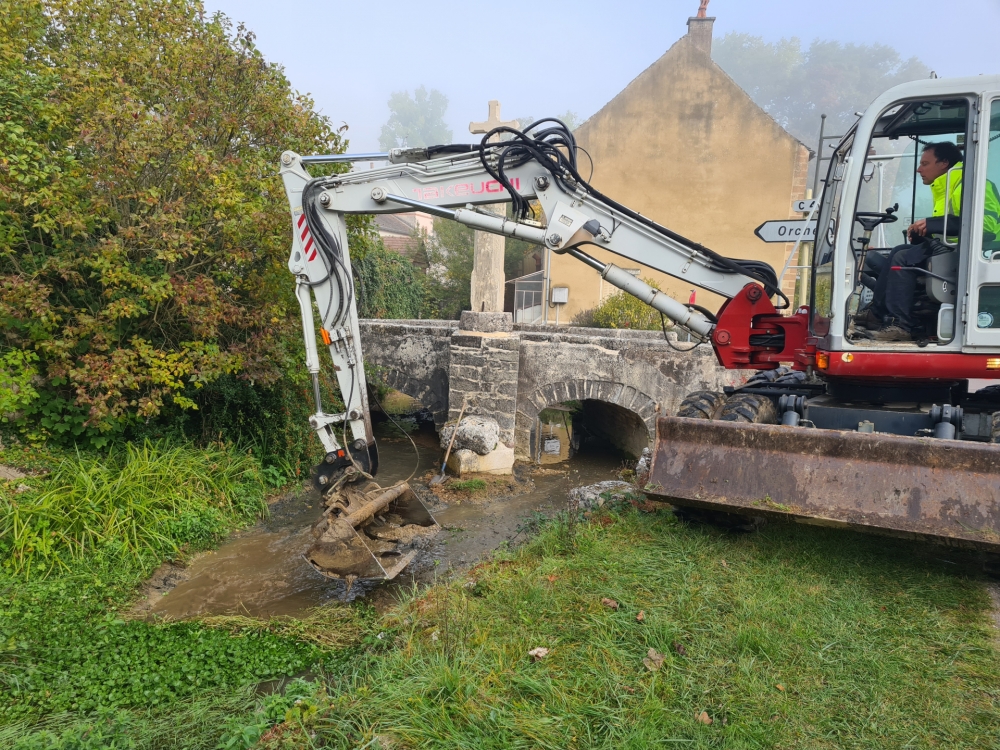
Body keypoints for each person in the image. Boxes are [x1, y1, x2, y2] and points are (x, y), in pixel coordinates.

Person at [863, 141, 1000, 341]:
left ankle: (901, 325)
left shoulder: (972, 185)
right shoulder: (948, 185)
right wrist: (924, 233)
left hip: (977, 253)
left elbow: (986, 226)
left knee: (903, 258)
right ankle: (877, 314)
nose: (919, 169)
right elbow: (952, 227)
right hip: (955, 249)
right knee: (898, 250)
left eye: (925, 164)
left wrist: (932, 224)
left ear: (944, 163)